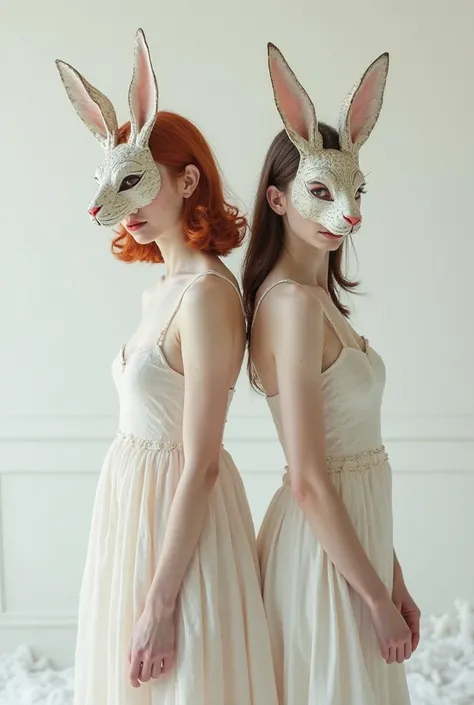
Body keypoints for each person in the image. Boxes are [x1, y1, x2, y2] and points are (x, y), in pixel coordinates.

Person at [56, 28, 278, 705]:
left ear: (185, 180)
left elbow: (202, 459)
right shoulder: (159, 292)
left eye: (138, 185)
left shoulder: (209, 296)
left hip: (183, 531)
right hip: (133, 514)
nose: (122, 208)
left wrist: (160, 599)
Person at [242, 42, 420, 705]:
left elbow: (356, 462)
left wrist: (391, 576)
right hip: (322, 562)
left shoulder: (319, 303)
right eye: (320, 191)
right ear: (279, 200)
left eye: (352, 192)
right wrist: (374, 595)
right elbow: (313, 479)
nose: (347, 213)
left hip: (356, 546)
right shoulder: (287, 307)